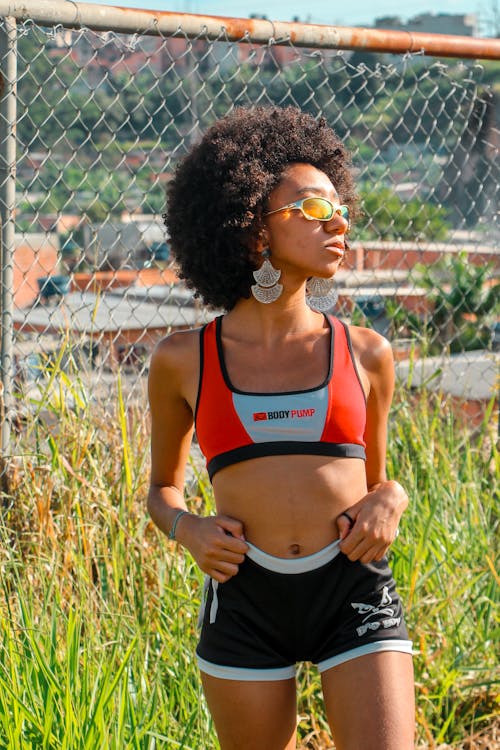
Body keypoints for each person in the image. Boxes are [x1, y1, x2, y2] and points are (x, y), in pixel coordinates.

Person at [148, 105, 415, 750]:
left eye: (339, 206)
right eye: (316, 209)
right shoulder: (183, 361)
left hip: (353, 590)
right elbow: (161, 490)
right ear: (253, 230)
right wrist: (189, 529)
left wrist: (393, 499)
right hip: (244, 603)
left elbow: (379, 485)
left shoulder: (368, 352)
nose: (340, 221)